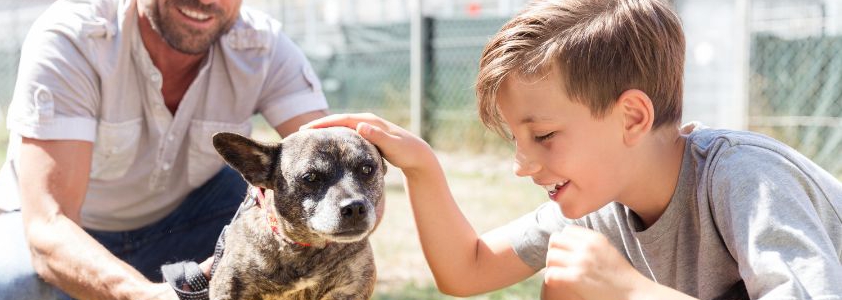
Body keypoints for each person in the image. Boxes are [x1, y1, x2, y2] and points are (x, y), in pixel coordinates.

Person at [303, 0, 842, 298]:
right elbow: (466, 271)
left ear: (632, 116)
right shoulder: (599, 205)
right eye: (517, 140)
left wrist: (629, 292)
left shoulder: (745, 178)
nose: (522, 164)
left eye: (544, 136)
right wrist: (420, 165)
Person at [0, 0, 328, 298]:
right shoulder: (74, 36)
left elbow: (338, 168)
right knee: (0, 282)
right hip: (66, 229)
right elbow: (49, 222)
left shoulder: (265, 46)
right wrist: (141, 295)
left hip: (193, 222)